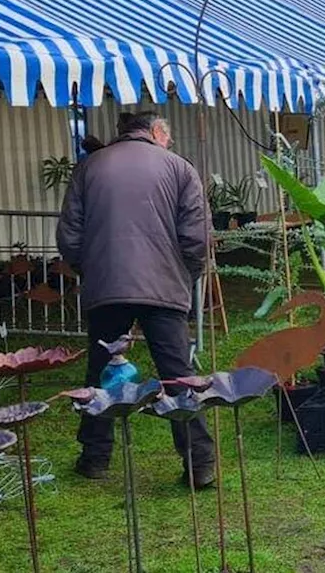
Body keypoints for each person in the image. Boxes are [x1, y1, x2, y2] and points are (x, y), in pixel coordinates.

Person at [57, 112, 216, 484]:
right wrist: (185, 275)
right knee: (179, 377)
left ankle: (94, 458)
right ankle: (200, 464)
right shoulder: (180, 169)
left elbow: (70, 235)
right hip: (163, 287)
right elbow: (196, 237)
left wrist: (92, 269)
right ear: (157, 132)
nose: (171, 143)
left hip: (106, 285)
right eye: (169, 136)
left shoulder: (88, 168)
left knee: (100, 372)